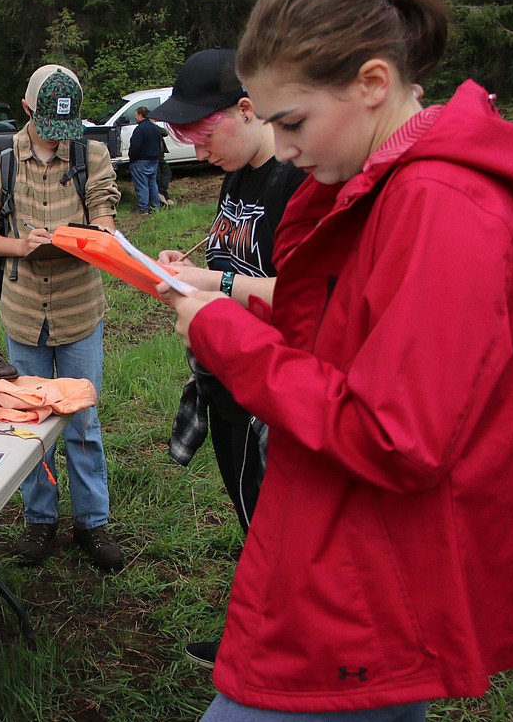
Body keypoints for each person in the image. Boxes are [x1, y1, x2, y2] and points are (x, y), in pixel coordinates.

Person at [156, 0, 513, 720]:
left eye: (293, 122)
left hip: (374, 586)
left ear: (372, 83)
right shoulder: (389, 189)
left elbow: (394, 434)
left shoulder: (440, 207)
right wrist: (236, 319)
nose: (283, 146)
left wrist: (229, 336)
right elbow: (346, 342)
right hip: (356, 563)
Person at [149, 48, 307, 668]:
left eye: (202, 132)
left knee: (282, 527)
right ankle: (259, 634)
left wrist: (210, 287)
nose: (194, 146)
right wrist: (187, 274)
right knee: (253, 517)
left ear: (247, 109)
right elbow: (228, 263)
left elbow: (295, 297)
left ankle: (283, 650)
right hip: (227, 377)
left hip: (271, 386)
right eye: (182, 134)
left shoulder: (295, 180)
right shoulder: (238, 176)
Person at [0, 64, 124, 571]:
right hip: (23, 310)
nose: (58, 139)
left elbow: (105, 212)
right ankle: (40, 519)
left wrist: (91, 235)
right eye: (48, 126)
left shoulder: (91, 154)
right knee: (28, 418)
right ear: (28, 109)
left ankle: (92, 523)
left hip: (80, 309)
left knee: (81, 418)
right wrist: (23, 246)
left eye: (67, 129)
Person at [128, 105, 164, 213]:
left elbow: (135, 146)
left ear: (140, 115)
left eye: (136, 115)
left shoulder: (140, 129)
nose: (135, 117)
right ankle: (155, 206)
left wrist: (131, 158)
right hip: (153, 160)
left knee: (142, 184)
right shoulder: (154, 127)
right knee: (152, 184)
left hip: (141, 161)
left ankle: (143, 208)